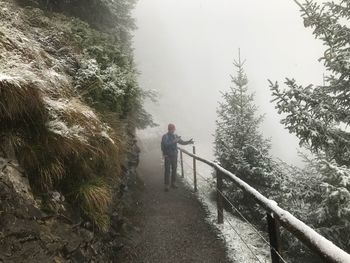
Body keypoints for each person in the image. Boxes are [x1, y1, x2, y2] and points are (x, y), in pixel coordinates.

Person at [161, 123, 194, 191]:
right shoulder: (165, 136)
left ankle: (173, 183)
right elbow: (165, 144)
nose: (173, 130)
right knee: (167, 170)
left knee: (174, 169)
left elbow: (182, 142)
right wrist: (174, 141)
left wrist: (188, 142)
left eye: (173, 129)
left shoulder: (175, 136)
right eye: (172, 129)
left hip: (174, 155)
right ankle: (166, 185)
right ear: (169, 129)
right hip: (167, 156)